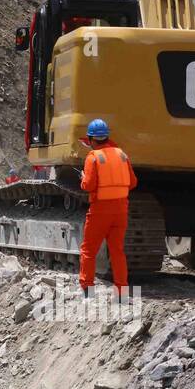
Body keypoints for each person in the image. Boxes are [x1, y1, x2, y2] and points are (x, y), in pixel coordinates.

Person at [78, 119, 136, 300]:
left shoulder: (93, 157)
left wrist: (82, 178)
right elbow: (133, 182)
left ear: (91, 139)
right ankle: (122, 293)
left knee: (89, 250)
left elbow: (88, 185)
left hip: (100, 210)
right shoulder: (122, 155)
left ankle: (88, 290)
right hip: (120, 210)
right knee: (117, 251)